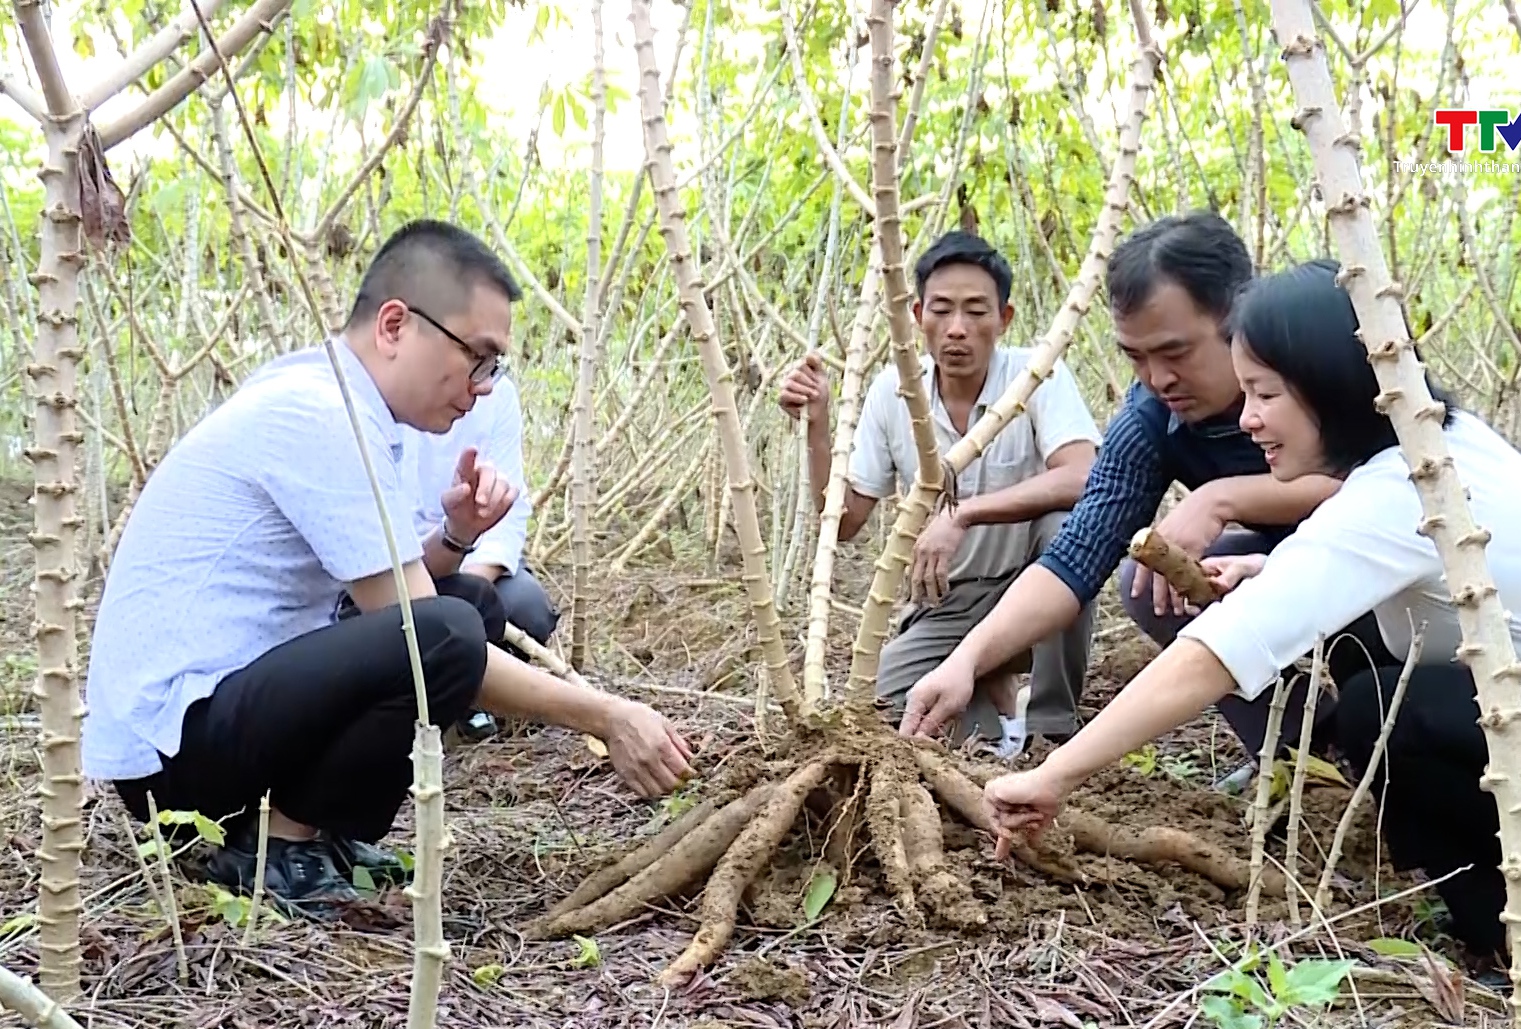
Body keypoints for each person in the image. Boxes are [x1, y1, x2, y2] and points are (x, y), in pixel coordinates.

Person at [980, 259, 1521, 988]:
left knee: (1388, 710)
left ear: (1327, 386)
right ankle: (1508, 914)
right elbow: (1440, 574)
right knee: (1379, 688)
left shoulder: (1400, 489)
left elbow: (1214, 656)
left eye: (1264, 394)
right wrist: (1265, 570)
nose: (1248, 420)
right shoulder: (1433, 448)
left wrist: (1056, 772)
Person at [83, 220, 696, 914]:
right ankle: (275, 850)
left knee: (471, 605)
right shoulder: (321, 413)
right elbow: (413, 627)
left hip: (223, 713)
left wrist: (459, 536)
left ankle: (319, 831)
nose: (484, 386)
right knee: (446, 634)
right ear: (397, 325)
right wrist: (608, 716)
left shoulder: (342, 402)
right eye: (479, 357)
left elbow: (406, 591)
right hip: (174, 749)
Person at [901, 212, 1371, 788]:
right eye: (1136, 357)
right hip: (1276, 568)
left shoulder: (1327, 366)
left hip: (1392, 591)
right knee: (1150, 581)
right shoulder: (1151, 420)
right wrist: (965, 663)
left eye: (1175, 352)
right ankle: (1301, 753)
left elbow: (1389, 487)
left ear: (1238, 316)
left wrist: (1223, 497)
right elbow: (1074, 559)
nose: (1158, 378)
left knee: (1381, 693)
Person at [779, 230, 1103, 755]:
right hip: (946, 601)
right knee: (890, 704)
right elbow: (842, 521)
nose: (958, 330)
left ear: (1005, 319)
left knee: (1071, 531)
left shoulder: (1037, 376)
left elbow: (1084, 476)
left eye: (977, 312)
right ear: (917, 315)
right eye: (943, 310)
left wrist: (964, 515)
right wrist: (818, 424)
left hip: (1035, 589)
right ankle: (996, 726)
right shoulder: (894, 392)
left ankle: (1051, 728)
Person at [396, 370, 560, 741]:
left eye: (490, 364)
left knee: (514, 605)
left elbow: (506, 509)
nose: (482, 387)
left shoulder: (497, 396)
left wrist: (468, 581)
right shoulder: (374, 404)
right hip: (395, 574)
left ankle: (472, 698)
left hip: (465, 559)